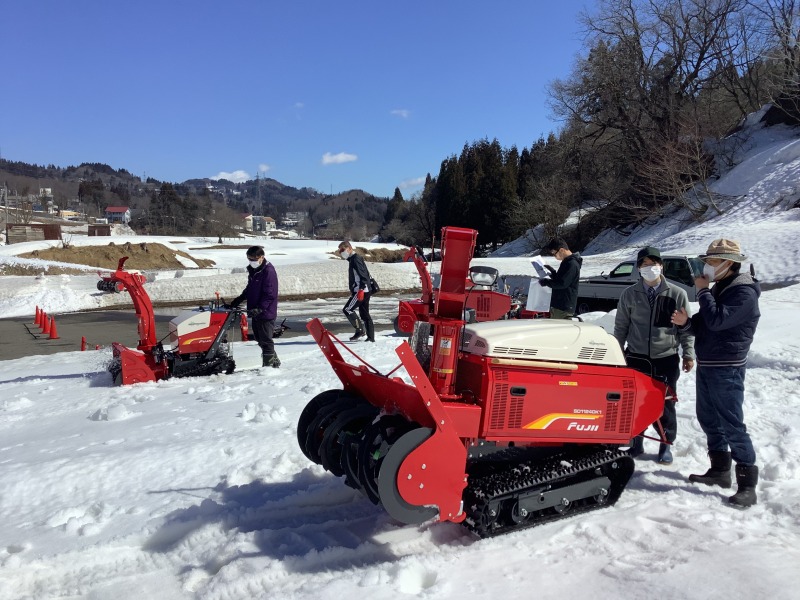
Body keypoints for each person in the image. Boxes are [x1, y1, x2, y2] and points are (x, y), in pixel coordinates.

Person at [671, 239, 760, 507]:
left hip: (728, 366)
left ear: (728, 264)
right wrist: (687, 323)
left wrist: (702, 292)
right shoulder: (722, 287)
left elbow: (718, 320)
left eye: (712, 262)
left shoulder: (744, 293)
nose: (707, 267)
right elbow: (704, 323)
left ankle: (747, 484)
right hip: (709, 363)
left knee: (732, 422)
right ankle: (720, 471)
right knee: (708, 418)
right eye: (707, 261)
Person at [614, 246, 695, 464]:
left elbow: (685, 329)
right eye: (645, 265)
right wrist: (616, 352)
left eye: (654, 264)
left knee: (665, 404)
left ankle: (665, 444)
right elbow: (621, 326)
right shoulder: (629, 294)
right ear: (639, 268)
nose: (650, 268)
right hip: (637, 358)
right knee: (635, 403)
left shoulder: (677, 294)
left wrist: (688, 354)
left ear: (661, 266)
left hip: (665, 358)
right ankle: (636, 441)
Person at [230, 246, 280, 368]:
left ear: (262, 257)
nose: (252, 261)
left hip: (265, 312)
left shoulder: (268, 271)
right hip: (255, 311)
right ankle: (275, 362)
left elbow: (270, 294)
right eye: (249, 259)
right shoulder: (254, 270)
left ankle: (268, 367)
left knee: (266, 340)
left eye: (254, 259)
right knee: (259, 338)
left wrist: (260, 308)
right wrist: (239, 299)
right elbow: (250, 289)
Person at [338, 240, 375, 342]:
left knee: (347, 309)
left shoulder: (355, 259)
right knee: (364, 314)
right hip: (364, 289)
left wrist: (361, 289)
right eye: (340, 251)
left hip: (361, 290)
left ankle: (360, 331)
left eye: (342, 250)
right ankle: (371, 338)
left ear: (349, 248)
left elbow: (363, 274)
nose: (341, 252)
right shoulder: (353, 259)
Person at [539, 237, 583, 319]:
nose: (554, 256)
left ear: (562, 250)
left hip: (563, 307)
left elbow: (563, 283)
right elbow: (562, 279)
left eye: (554, 253)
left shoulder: (572, 264)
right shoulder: (567, 262)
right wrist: (553, 273)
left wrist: (546, 282)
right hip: (559, 305)